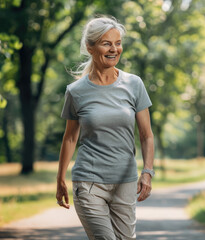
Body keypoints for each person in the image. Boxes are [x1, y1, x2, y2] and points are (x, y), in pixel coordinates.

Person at [56, 15, 154, 240]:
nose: (114, 49)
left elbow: (146, 135)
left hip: (125, 181)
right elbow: (70, 138)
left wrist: (147, 172)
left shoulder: (134, 84)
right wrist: (60, 178)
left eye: (118, 43)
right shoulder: (76, 91)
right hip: (88, 182)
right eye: (106, 43)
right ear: (90, 48)